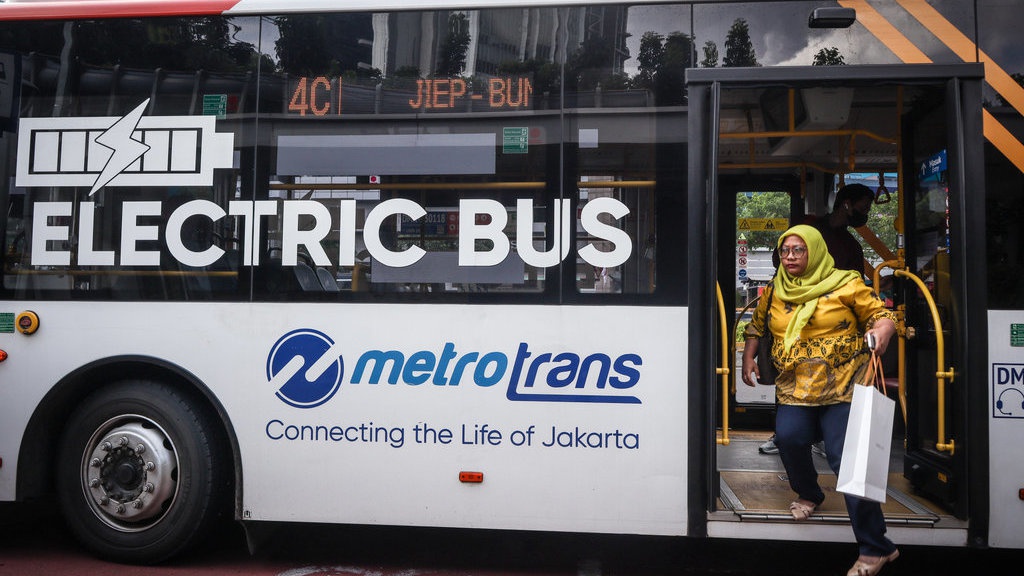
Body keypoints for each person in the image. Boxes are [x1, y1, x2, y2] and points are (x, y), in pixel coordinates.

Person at [742, 225, 899, 576]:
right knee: (790, 439)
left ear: (814, 251)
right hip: (796, 386)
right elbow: (757, 325)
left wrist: (883, 329)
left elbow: (881, 315)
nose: (791, 257)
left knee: (847, 461)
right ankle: (810, 494)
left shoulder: (847, 283)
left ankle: (877, 547)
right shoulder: (776, 290)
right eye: (785, 251)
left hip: (844, 384)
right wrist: (748, 356)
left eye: (799, 250)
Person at [759, 183, 877, 456]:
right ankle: (784, 435)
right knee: (791, 376)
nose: (865, 213)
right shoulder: (809, 227)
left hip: (832, 327)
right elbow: (781, 262)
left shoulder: (851, 246)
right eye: (863, 207)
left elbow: (859, 287)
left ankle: (823, 436)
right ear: (846, 204)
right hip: (794, 320)